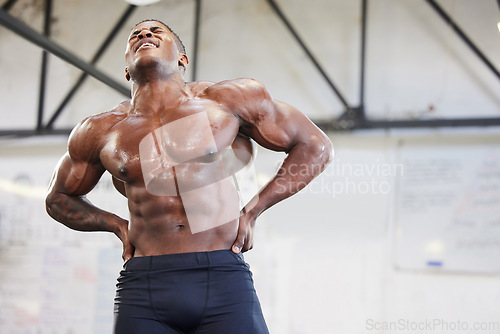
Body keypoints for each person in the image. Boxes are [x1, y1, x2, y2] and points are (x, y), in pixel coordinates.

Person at [45, 19, 333, 334]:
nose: (145, 34)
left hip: (222, 277)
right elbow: (58, 198)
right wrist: (116, 225)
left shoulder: (228, 101)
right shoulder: (101, 130)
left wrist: (254, 210)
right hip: (144, 285)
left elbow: (315, 146)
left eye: (157, 31)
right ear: (127, 69)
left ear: (182, 59)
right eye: (136, 35)